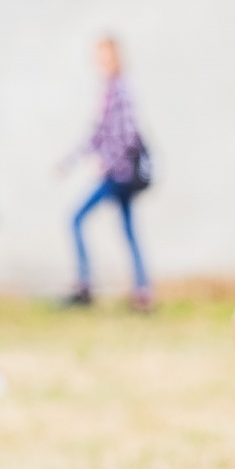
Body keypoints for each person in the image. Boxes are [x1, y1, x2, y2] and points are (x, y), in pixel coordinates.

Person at [59, 37, 151, 311]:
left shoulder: (120, 89)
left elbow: (125, 134)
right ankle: (142, 290)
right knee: (128, 230)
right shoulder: (110, 89)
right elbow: (98, 134)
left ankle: (85, 285)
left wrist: (107, 163)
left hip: (118, 174)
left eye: (104, 55)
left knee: (75, 219)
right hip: (117, 172)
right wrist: (70, 161)